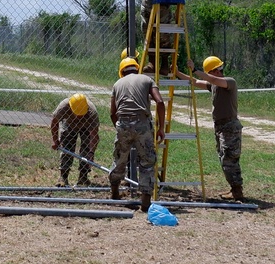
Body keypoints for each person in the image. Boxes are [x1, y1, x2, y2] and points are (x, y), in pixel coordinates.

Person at [175, 55, 244, 200]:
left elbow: (211, 80)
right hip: (221, 127)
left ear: (215, 71)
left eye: (209, 73)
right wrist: (177, 73)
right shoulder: (214, 85)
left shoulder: (229, 82)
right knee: (224, 158)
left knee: (229, 159)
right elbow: (194, 82)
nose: (208, 76)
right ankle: (234, 189)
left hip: (229, 127)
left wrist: (195, 70)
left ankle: (237, 191)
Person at [109, 57, 166, 211]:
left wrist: (121, 128)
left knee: (120, 158)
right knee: (147, 162)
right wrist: (161, 127)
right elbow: (160, 102)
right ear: (136, 68)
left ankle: (114, 193)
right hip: (142, 124)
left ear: (122, 71)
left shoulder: (117, 84)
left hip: (123, 123)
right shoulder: (147, 79)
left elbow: (112, 113)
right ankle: (145, 202)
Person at [49, 93, 100, 187]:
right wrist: (55, 140)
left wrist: (91, 153)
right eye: (76, 114)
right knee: (67, 147)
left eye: (81, 115)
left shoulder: (92, 111)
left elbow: (94, 135)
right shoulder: (63, 106)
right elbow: (54, 122)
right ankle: (63, 178)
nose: (78, 118)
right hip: (69, 125)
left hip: (87, 127)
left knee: (86, 149)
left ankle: (83, 177)